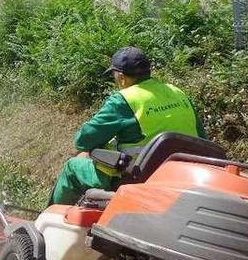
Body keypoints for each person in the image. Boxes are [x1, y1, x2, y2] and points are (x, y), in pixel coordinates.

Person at [50, 47, 207, 205]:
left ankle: (50, 220)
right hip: (184, 175)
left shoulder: (124, 100)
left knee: (72, 167)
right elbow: (202, 138)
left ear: (121, 77)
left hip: (137, 179)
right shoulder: (177, 92)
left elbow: (83, 140)